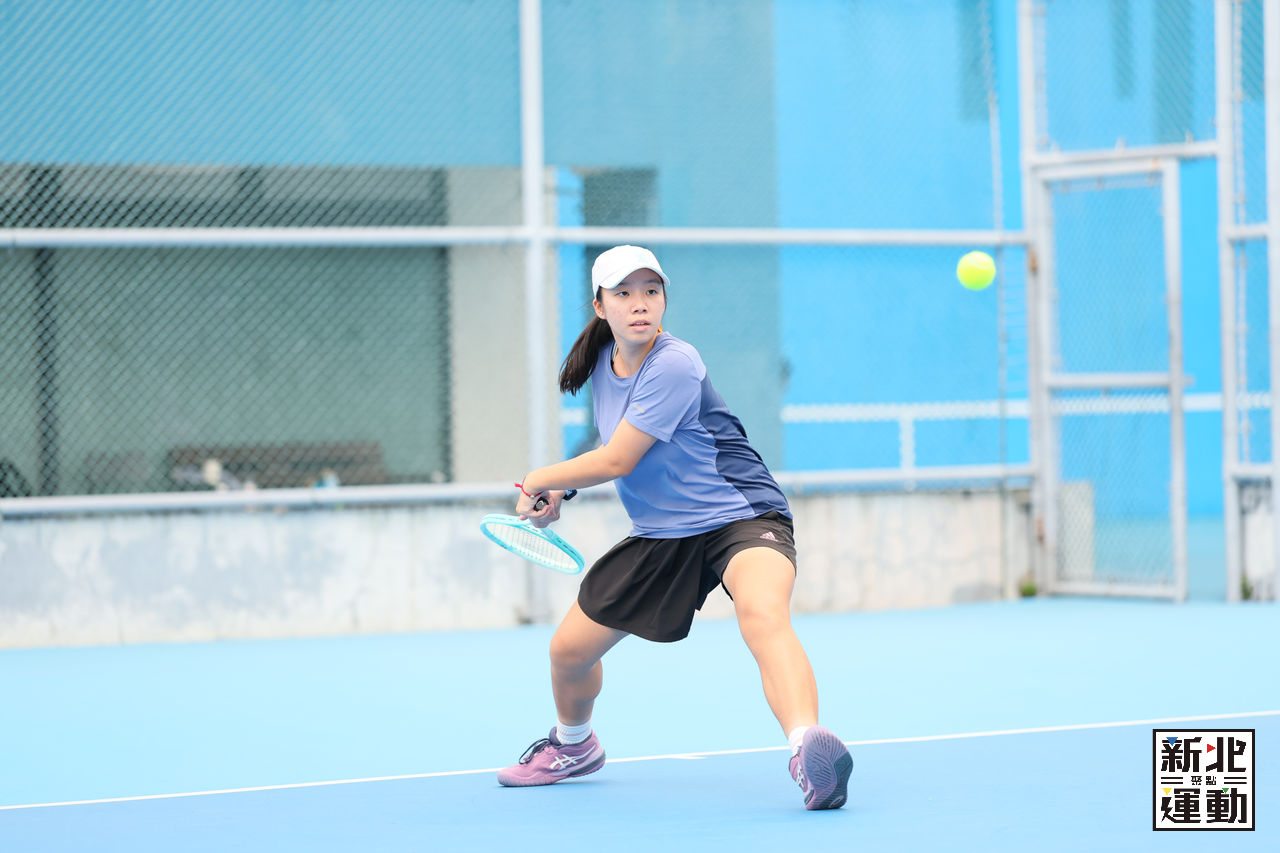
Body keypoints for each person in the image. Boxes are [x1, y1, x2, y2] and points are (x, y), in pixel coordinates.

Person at [496, 245, 852, 810]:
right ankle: (573, 745)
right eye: (623, 293)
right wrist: (564, 487)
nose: (639, 304)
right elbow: (614, 442)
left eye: (651, 291)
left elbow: (618, 460)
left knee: (763, 615)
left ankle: (808, 748)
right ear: (600, 306)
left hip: (741, 515)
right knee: (568, 653)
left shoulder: (676, 362)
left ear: (664, 299)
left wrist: (539, 477)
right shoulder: (603, 364)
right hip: (661, 533)